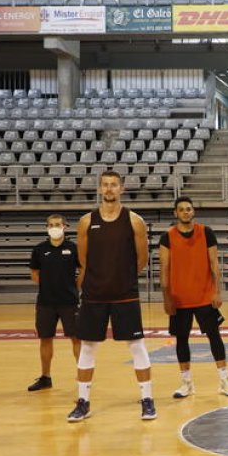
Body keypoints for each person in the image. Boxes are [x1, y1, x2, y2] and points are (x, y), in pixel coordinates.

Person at [66, 171, 155, 422]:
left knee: (137, 346)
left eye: (113, 185)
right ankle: (83, 402)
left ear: (121, 189)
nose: (109, 189)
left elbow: (142, 258)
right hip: (94, 294)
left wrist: (122, 277)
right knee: (88, 347)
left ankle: (147, 399)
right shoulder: (86, 222)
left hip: (125, 294)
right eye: (105, 185)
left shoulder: (134, 221)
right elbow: (83, 259)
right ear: (99, 189)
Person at [160, 196, 228, 399]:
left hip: (204, 295)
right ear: (175, 213)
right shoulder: (167, 237)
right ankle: (186, 383)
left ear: (193, 211)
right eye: (181, 209)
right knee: (181, 340)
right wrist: (166, 297)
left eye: (188, 209)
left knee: (215, 336)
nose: (185, 212)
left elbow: (214, 265)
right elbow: (164, 269)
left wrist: (217, 291)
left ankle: (225, 380)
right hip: (179, 297)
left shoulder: (206, 232)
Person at [26, 214, 81, 392]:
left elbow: (83, 269)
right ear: (47, 228)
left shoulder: (73, 248)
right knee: (45, 339)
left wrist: (75, 287)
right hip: (46, 302)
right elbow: (34, 273)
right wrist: (48, 285)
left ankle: (82, 376)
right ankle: (45, 377)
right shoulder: (39, 249)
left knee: (76, 338)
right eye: (51, 225)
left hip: (69, 301)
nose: (54, 227)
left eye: (57, 224)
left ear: (65, 226)